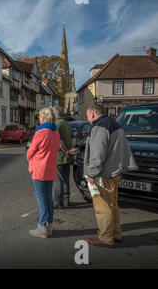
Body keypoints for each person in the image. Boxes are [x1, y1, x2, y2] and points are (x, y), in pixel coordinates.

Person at [84, 105, 138, 247]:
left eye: (88, 116)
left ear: (93, 115)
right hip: (115, 170)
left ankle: (106, 237)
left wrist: (92, 173)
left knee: (103, 206)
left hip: (105, 173)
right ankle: (115, 232)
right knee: (112, 204)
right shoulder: (114, 123)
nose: (88, 119)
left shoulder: (100, 126)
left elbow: (97, 153)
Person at [26, 107, 61, 238]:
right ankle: (49, 225)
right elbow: (57, 148)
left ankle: (42, 226)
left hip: (39, 169)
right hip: (50, 168)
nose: (39, 119)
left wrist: (29, 158)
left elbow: (31, 151)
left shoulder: (41, 132)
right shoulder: (55, 132)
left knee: (41, 199)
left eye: (40, 117)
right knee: (48, 198)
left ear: (44, 117)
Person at [53, 106, 76, 208]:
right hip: (68, 157)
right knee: (66, 178)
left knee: (58, 179)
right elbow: (73, 139)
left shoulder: (56, 124)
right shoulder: (67, 123)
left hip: (59, 156)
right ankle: (67, 200)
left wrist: (65, 150)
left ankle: (58, 202)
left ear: (55, 114)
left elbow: (59, 142)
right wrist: (71, 150)